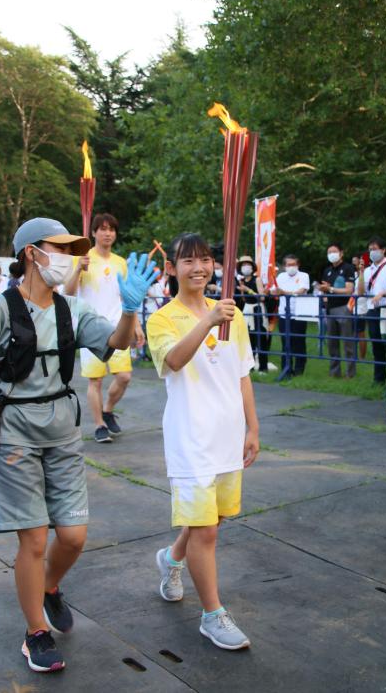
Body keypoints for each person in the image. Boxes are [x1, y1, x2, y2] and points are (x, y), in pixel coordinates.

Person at [0, 217, 157, 673]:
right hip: (15, 429)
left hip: (62, 430)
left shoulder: (71, 309)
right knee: (34, 539)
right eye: (58, 247)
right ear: (30, 253)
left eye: (71, 249)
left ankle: (48, 587)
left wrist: (131, 308)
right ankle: (36, 632)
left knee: (73, 537)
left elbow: (113, 344)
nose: (68, 257)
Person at [146, 233, 259, 650]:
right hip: (190, 437)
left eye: (206, 259)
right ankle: (213, 615)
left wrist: (252, 427)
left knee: (214, 518)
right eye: (188, 260)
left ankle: (172, 558)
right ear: (172, 268)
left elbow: (243, 372)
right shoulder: (161, 319)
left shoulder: (232, 314)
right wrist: (208, 321)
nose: (199, 267)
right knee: (207, 531)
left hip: (228, 434)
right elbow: (172, 361)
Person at [64, 213, 145, 443]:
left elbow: (127, 297)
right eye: (103, 229)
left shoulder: (120, 263)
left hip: (118, 328)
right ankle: (99, 424)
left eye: (111, 229)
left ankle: (108, 409)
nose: (107, 233)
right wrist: (79, 268)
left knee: (125, 377)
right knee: (95, 381)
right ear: (93, 232)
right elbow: (67, 293)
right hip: (91, 327)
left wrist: (136, 324)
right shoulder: (81, 258)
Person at [357, 238, 386, 384]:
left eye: (375, 248)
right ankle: (379, 378)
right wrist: (360, 272)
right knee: (376, 344)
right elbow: (360, 292)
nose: (372, 252)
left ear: (383, 250)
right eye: (370, 249)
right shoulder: (367, 270)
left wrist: (383, 293)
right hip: (372, 309)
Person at [319, 243, 356, 378]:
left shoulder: (348, 268)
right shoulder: (327, 270)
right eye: (329, 252)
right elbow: (325, 287)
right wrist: (324, 293)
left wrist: (330, 290)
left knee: (348, 342)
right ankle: (335, 372)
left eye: (334, 251)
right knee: (332, 343)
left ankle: (350, 373)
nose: (331, 254)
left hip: (343, 308)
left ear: (341, 253)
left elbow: (349, 290)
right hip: (329, 309)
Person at [275, 254, 310, 375]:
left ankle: (299, 370)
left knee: (299, 342)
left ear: (298, 265)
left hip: (299, 313)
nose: (291, 267)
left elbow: (302, 290)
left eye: (293, 264)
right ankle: (286, 369)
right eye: (288, 265)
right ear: (284, 266)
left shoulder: (304, 275)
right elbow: (275, 291)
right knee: (285, 342)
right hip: (284, 314)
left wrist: (284, 292)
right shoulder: (281, 276)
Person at [237, 255, 269, 373]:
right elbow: (243, 299)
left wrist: (248, 290)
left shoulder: (257, 279)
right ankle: (249, 367)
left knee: (260, 338)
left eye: (248, 265)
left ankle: (263, 367)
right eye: (243, 265)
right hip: (247, 310)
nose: (246, 267)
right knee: (249, 339)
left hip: (257, 309)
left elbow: (262, 297)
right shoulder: (241, 281)